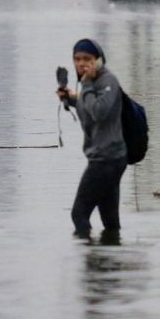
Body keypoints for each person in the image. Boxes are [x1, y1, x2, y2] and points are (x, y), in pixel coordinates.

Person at [57, 37, 127, 243]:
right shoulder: (93, 83)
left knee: (78, 214)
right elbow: (89, 106)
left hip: (105, 160)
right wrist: (69, 98)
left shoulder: (108, 81)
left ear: (99, 60)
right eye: (77, 59)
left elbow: (98, 111)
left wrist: (85, 85)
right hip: (110, 158)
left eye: (87, 58)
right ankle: (110, 268)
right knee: (110, 220)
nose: (81, 63)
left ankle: (91, 266)